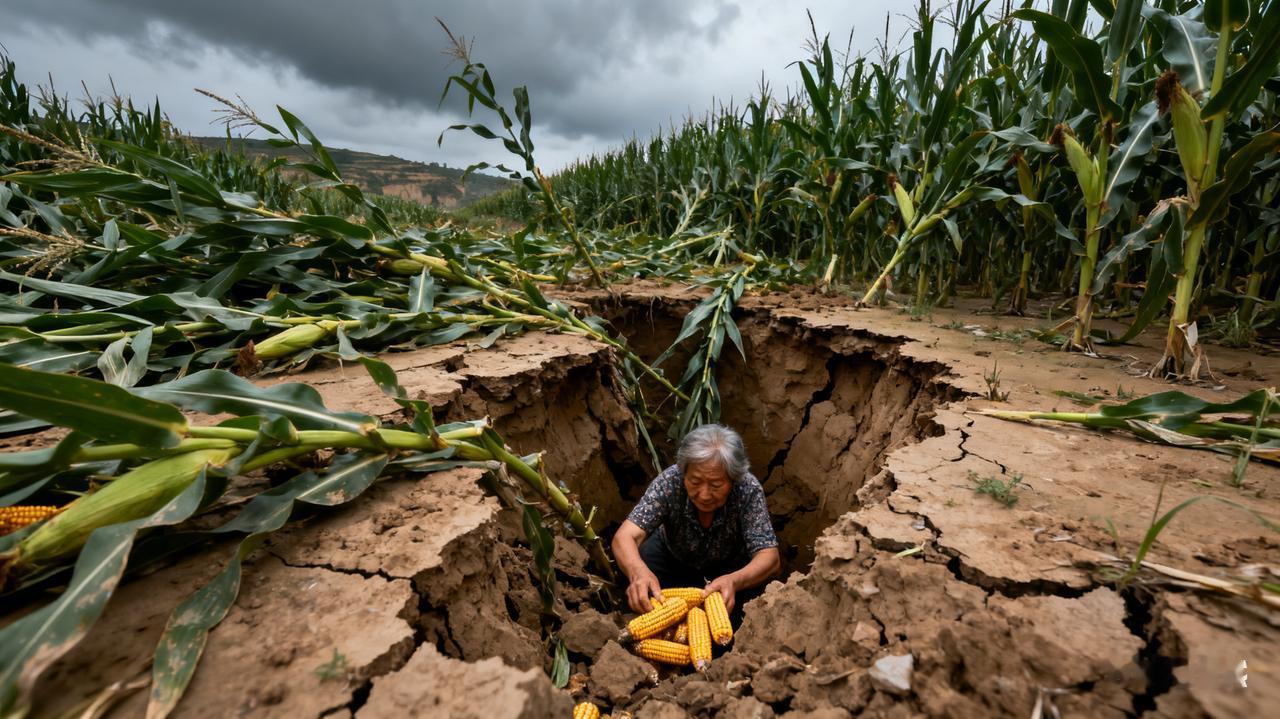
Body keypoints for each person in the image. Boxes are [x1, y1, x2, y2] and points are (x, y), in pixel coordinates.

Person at [612, 424, 781, 617]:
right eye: (695, 482)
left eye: (716, 485)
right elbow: (625, 536)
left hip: (728, 566)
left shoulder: (747, 489)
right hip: (670, 557)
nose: (704, 494)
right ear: (683, 474)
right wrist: (638, 572)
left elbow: (770, 556)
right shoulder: (669, 481)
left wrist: (734, 581)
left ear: (733, 480)